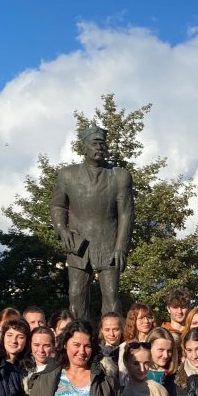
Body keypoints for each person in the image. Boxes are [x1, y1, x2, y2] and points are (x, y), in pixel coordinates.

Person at [50, 125, 134, 323]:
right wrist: (62, 230)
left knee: (112, 297)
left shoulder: (120, 176)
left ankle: (111, 339)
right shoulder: (67, 175)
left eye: (102, 144)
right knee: (76, 295)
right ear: (84, 147)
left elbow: (126, 214)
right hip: (78, 245)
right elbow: (57, 205)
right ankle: (80, 336)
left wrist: (121, 248)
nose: (100, 148)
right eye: (95, 143)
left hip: (109, 242)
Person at [26, 326, 56, 392]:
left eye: (46, 346)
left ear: (53, 347)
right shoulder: (24, 370)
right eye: (36, 345)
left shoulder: (58, 373)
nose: (41, 350)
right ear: (30, 345)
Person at [98, 312, 125, 380]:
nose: (112, 334)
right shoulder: (96, 353)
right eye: (107, 330)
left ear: (121, 329)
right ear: (102, 330)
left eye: (115, 329)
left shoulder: (129, 350)